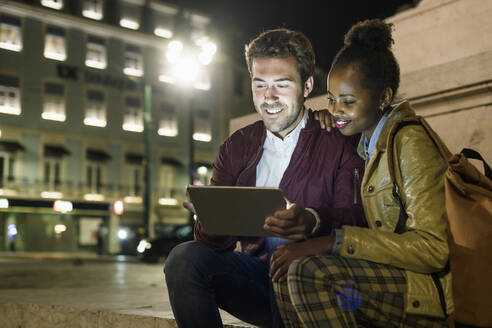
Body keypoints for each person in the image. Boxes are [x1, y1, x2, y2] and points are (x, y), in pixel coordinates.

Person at [164, 28, 367, 328]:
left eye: (281, 85)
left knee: (280, 228)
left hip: (322, 284)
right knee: (183, 259)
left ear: (307, 85)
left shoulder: (337, 140)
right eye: (259, 85)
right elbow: (214, 247)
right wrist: (210, 221)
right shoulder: (236, 147)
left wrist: (310, 219)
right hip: (260, 282)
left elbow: (357, 218)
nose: (268, 97)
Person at [274, 19, 452, 327]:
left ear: (383, 98)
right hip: (388, 278)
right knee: (284, 269)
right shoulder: (366, 144)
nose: (336, 110)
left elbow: (433, 249)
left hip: (423, 292)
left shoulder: (409, 141)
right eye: (331, 98)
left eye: (348, 101)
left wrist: (334, 242)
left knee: (308, 270)